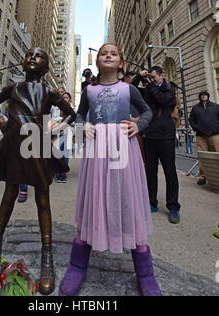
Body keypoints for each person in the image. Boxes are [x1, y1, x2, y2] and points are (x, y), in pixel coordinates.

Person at [59, 43, 161, 297]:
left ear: (120, 62)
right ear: (98, 62)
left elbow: (148, 112)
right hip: (96, 150)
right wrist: (84, 128)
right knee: (93, 199)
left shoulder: (129, 89)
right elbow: (79, 116)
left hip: (124, 148)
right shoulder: (89, 91)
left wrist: (139, 127)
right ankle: (77, 264)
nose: (108, 56)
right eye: (104, 53)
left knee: (129, 199)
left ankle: (145, 273)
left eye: (113, 53)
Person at [0, 47, 76, 295]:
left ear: (45, 67)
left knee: (42, 198)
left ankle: (47, 253)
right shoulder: (12, 88)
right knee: (9, 193)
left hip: (37, 146)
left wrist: (54, 130)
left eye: (39, 56)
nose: (31, 57)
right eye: (29, 54)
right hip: (13, 144)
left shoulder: (48, 91)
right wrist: (2, 123)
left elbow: (70, 114)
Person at [142, 66, 181, 224]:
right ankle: (152, 202)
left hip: (166, 135)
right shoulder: (149, 89)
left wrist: (151, 85)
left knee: (170, 171)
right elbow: (143, 101)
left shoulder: (170, 87)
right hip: (150, 135)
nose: (151, 80)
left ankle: (173, 206)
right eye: (150, 78)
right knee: (150, 170)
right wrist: (141, 78)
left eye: (154, 77)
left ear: (161, 75)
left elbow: (163, 101)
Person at [189, 91, 219, 185]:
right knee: (202, 156)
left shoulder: (215, 106)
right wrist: (195, 128)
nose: (203, 96)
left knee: (216, 155)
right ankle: (202, 177)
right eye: (202, 95)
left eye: (205, 95)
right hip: (201, 136)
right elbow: (191, 119)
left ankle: (217, 176)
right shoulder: (195, 108)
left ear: (208, 96)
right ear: (199, 97)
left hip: (214, 135)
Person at [56, 92, 75, 183]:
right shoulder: (56, 108)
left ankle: (63, 174)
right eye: (63, 97)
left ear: (69, 99)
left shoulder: (73, 109)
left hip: (67, 133)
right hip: (57, 134)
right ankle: (58, 173)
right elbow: (53, 119)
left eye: (67, 97)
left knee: (65, 154)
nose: (65, 99)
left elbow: (75, 123)